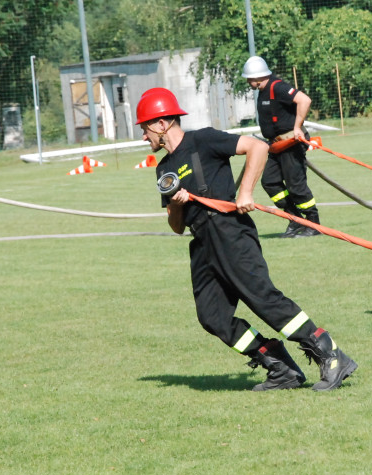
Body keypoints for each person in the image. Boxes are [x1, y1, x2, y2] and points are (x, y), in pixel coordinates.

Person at [138, 87, 357, 391]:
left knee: (263, 299)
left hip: (230, 231)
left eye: (145, 128)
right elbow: (176, 227)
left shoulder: (203, 140)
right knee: (212, 316)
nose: (143, 136)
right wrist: (176, 205)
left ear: (162, 123)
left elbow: (257, 147)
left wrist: (246, 192)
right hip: (201, 241)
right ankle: (279, 365)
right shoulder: (164, 169)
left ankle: (331, 354)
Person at [241, 55, 321, 238]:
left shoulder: (277, 87)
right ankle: (294, 219)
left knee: (296, 186)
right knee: (269, 182)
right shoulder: (263, 91)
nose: (248, 82)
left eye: (249, 79)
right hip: (276, 146)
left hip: (291, 144)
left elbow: (304, 100)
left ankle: (314, 224)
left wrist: (297, 127)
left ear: (257, 77)